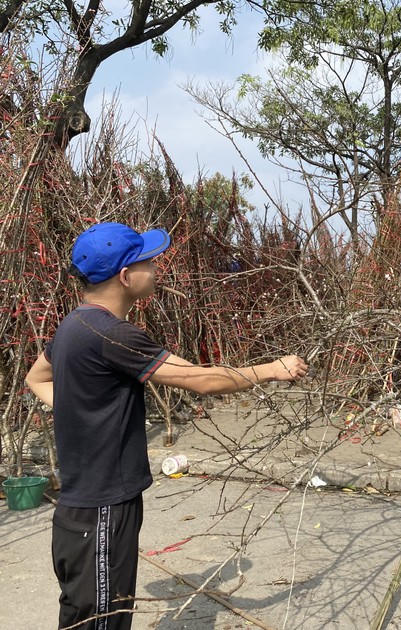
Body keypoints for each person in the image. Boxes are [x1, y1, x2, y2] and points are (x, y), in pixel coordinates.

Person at [25, 222, 308, 630]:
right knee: (102, 621)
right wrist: (272, 368)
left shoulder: (74, 325)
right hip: (102, 511)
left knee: (80, 616)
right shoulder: (112, 334)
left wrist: (79, 411)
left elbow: (37, 377)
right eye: (148, 262)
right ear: (125, 277)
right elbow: (203, 379)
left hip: (83, 507)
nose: (156, 268)